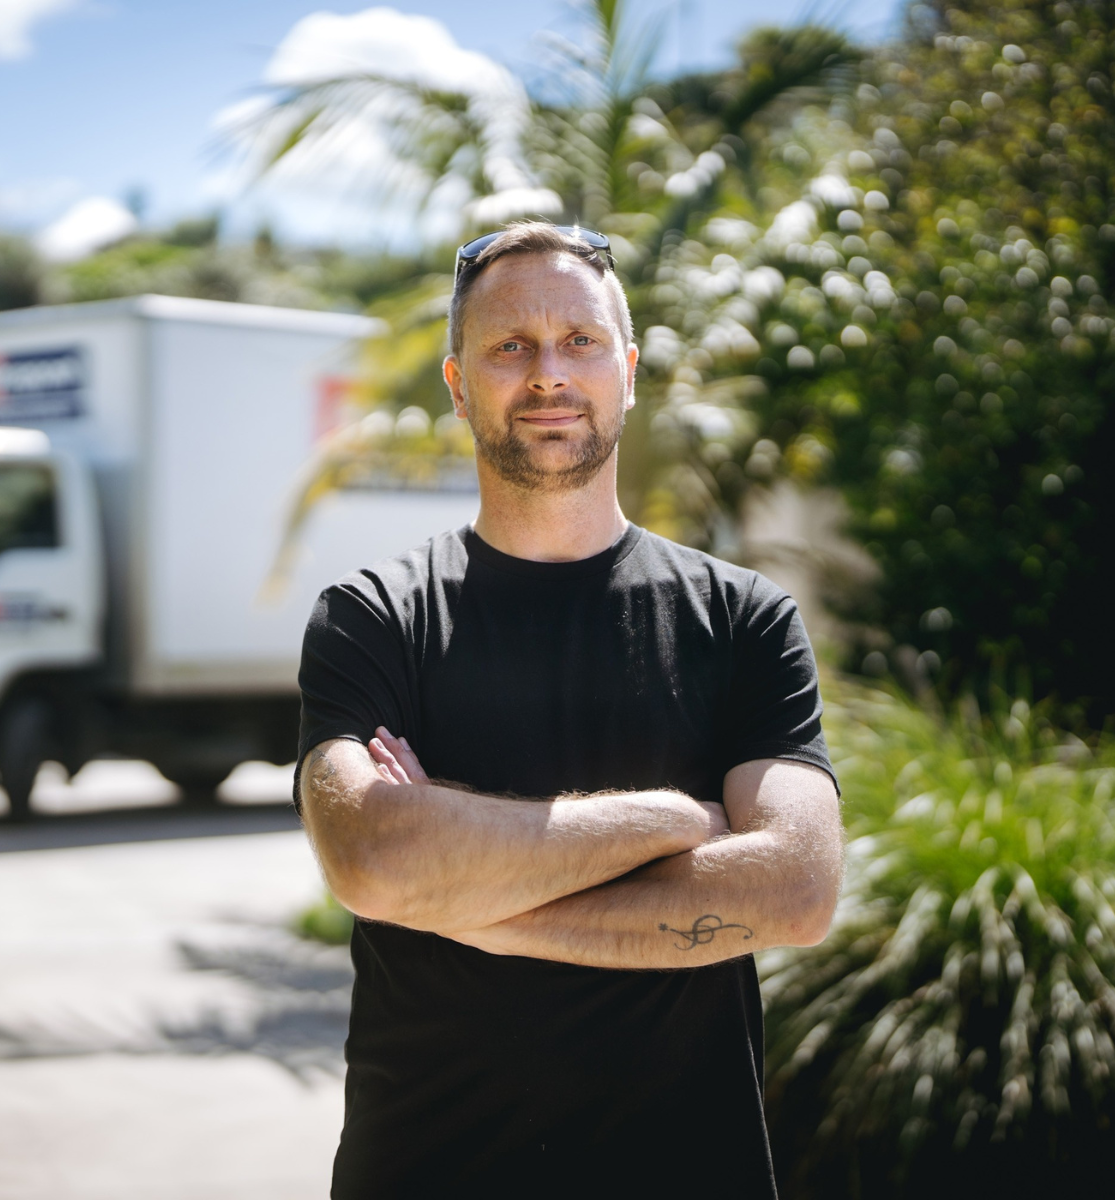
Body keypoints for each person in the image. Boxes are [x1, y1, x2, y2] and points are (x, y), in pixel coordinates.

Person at [294, 222, 845, 1197]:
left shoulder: (745, 620)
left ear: (626, 371)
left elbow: (795, 891)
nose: (549, 372)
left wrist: (477, 910)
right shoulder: (375, 618)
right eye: (511, 346)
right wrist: (675, 822)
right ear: (461, 386)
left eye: (579, 341)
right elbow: (374, 858)